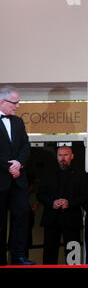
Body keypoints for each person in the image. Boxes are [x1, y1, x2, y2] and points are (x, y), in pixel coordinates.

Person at [0, 85, 34, 265]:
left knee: (21, 216)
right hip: (1, 179)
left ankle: (18, 256)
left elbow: (26, 147)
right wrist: (8, 167)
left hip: (18, 179)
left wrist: (18, 163)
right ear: (2, 102)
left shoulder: (19, 122)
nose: (18, 106)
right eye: (15, 102)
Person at [37, 146, 88, 264]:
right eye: (60, 155)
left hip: (72, 221)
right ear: (57, 157)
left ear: (72, 156)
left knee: (73, 257)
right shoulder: (48, 173)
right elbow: (40, 195)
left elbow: (85, 196)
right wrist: (52, 203)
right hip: (51, 220)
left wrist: (69, 203)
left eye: (65, 155)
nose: (62, 158)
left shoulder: (80, 174)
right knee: (49, 254)